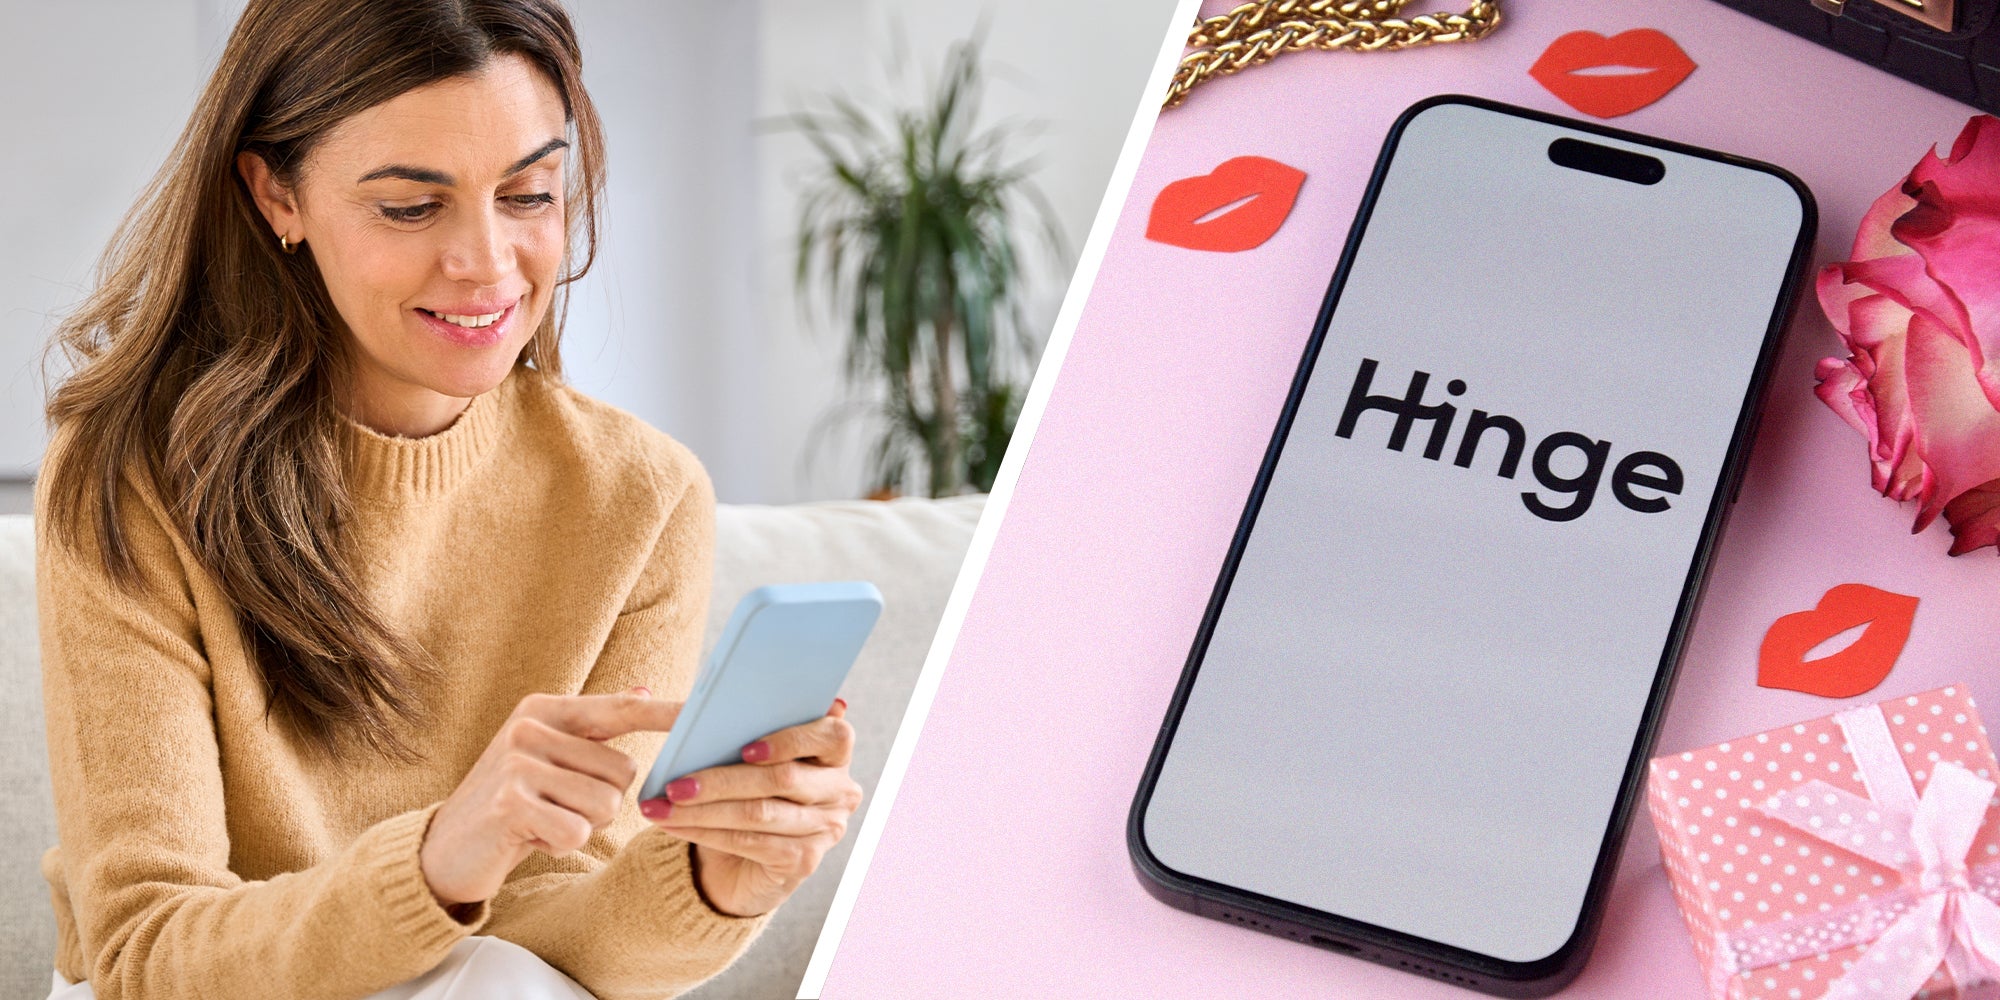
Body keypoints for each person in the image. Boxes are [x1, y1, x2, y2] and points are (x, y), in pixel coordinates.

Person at [34, 2, 862, 998]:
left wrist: (709, 884)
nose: (486, 263)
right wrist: (439, 859)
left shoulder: (640, 496)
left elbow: (560, 932)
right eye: (410, 207)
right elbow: (142, 954)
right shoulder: (127, 469)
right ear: (274, 194)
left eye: (530, 194)